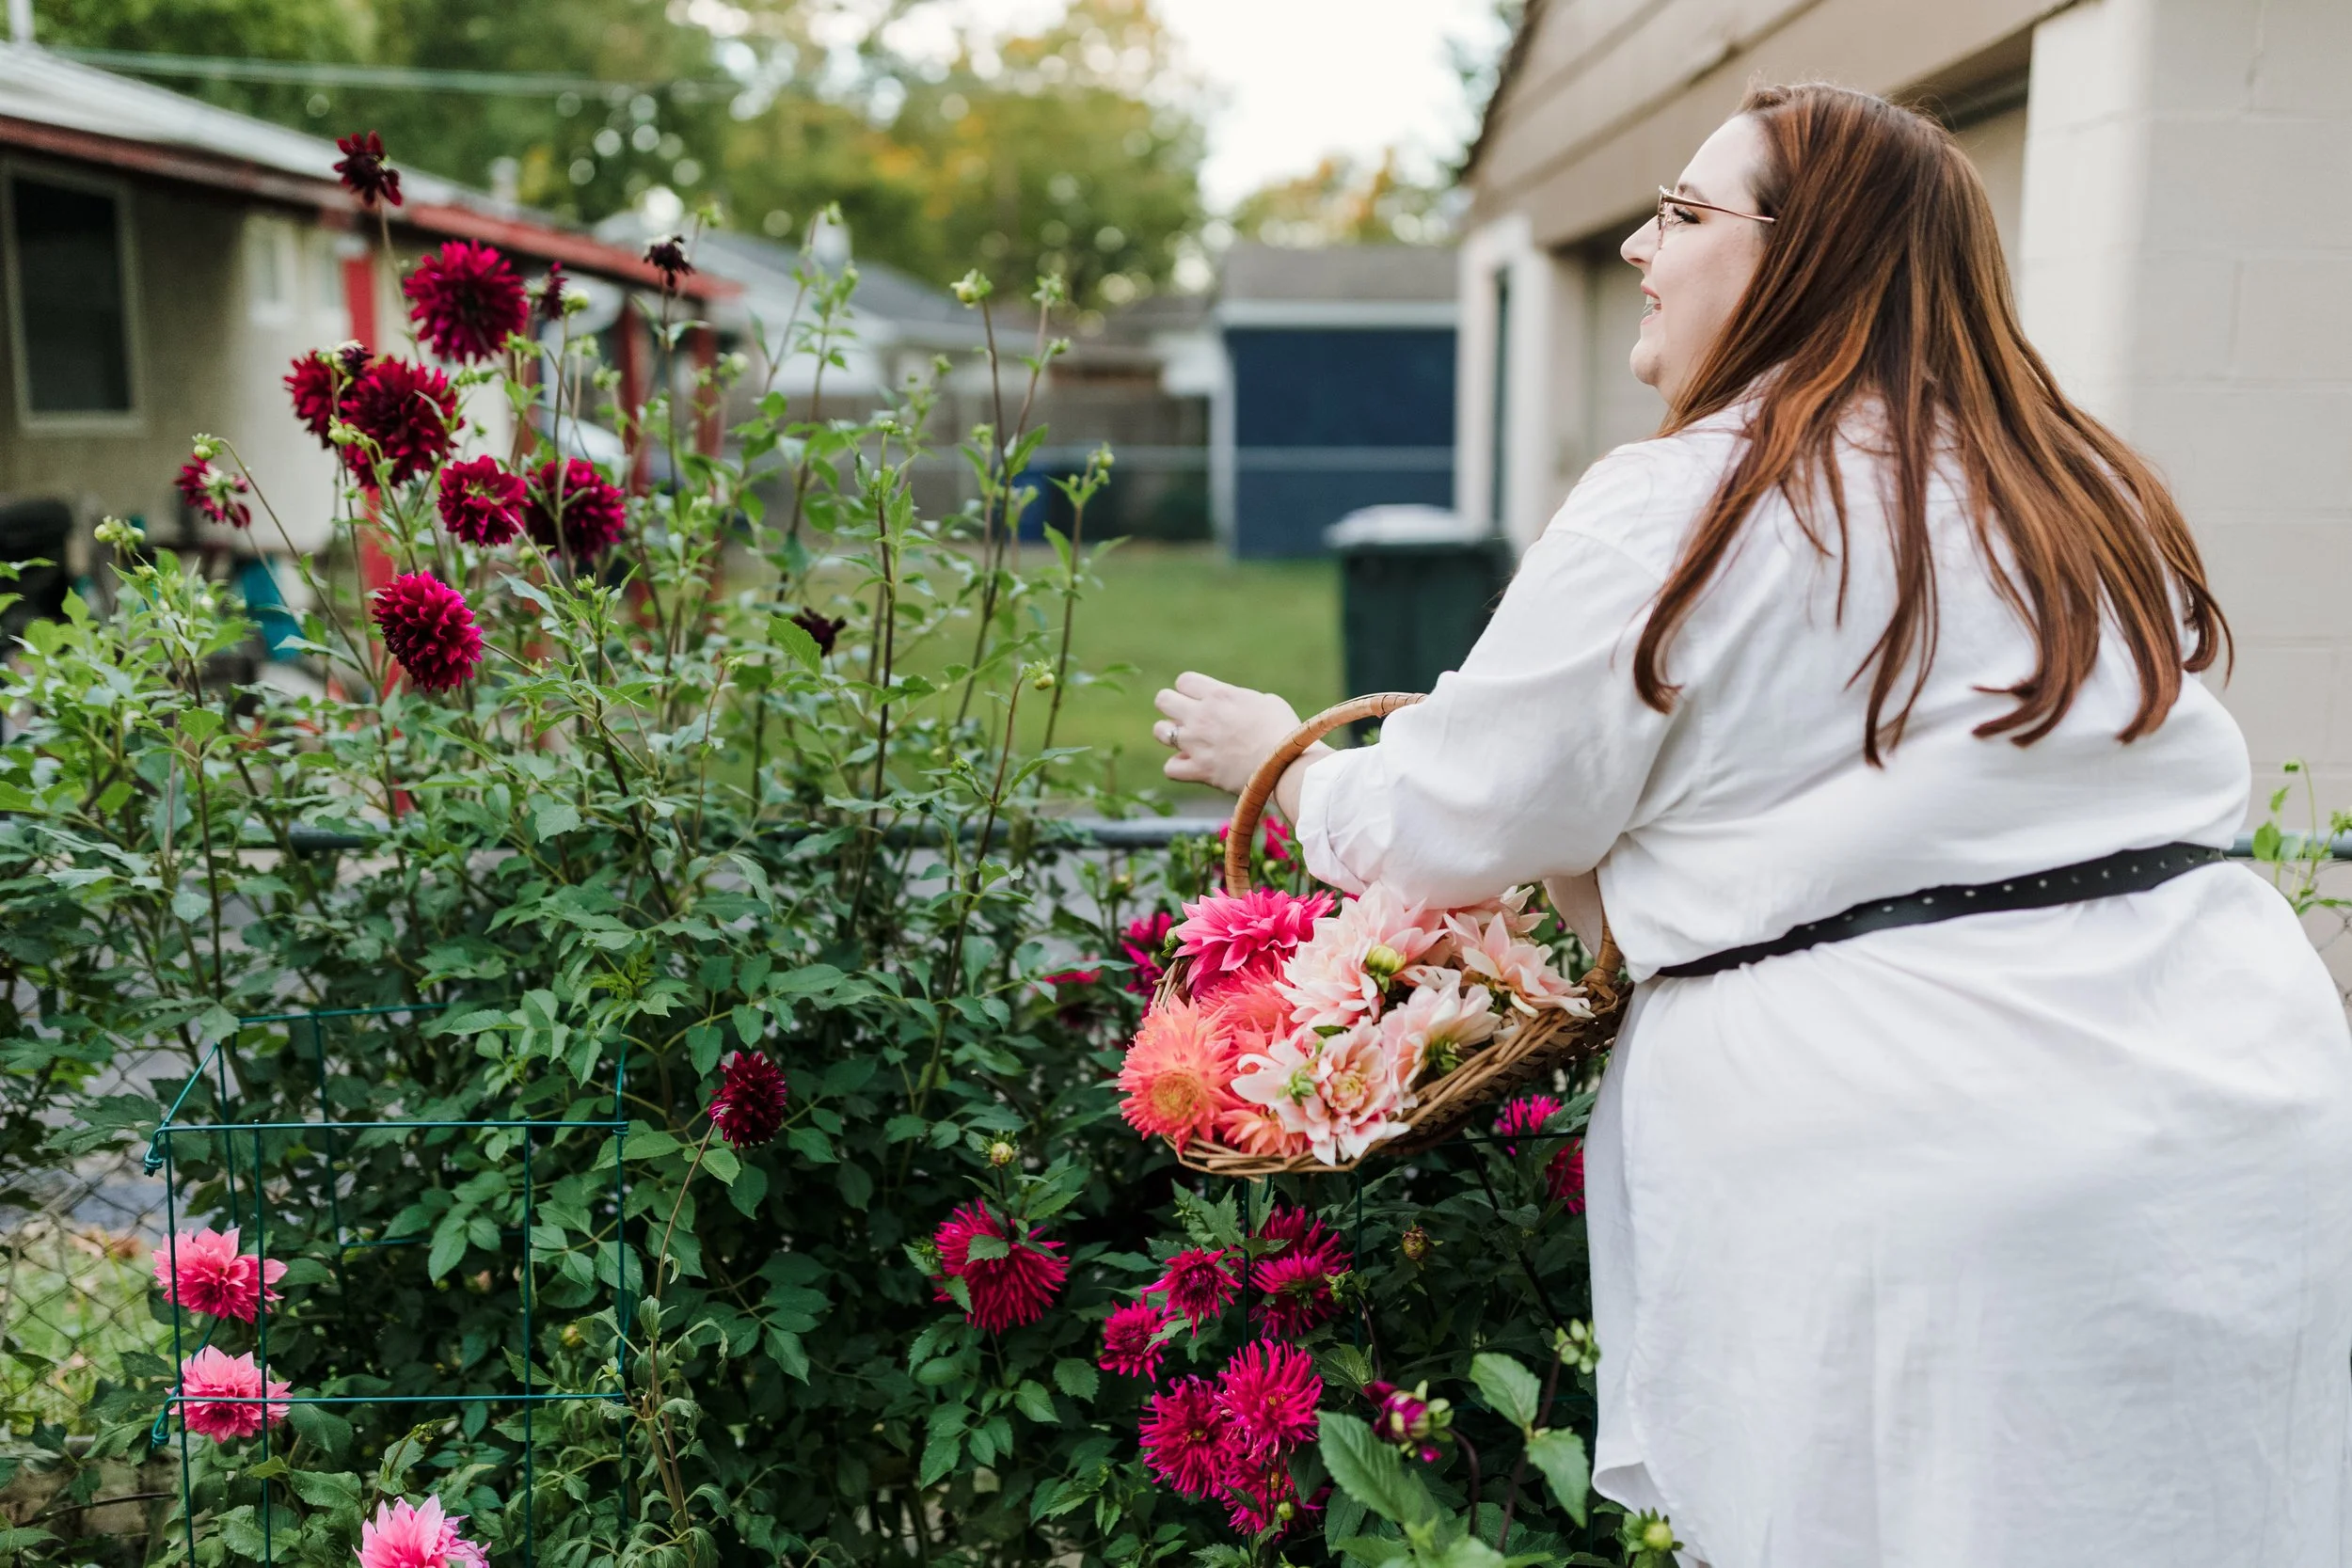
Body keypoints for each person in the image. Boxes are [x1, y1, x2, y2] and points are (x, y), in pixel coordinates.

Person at [1151, 83, 2352, 1568]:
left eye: (1684, 213)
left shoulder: (1696, 500)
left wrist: (1291, 761)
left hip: (1932, 1159)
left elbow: (1463, 809)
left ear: (1810, 254)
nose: (1647, 252)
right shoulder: (2079, 492)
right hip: (2245, 1116)